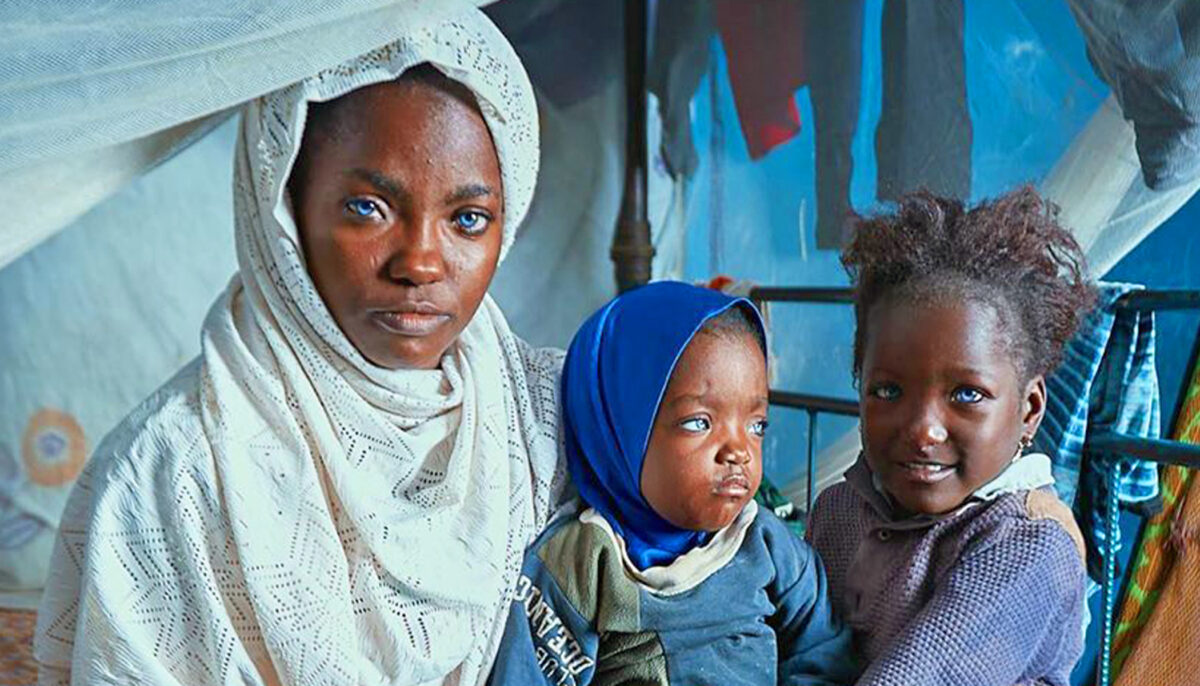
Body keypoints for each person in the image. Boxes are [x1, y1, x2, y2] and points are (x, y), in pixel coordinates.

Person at [34, 7, 568, 685]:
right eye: (368, 208)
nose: (421, 264)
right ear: (284, 208)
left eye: (468, 219)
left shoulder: (543, 428)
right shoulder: (171, 471)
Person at [489, 281, 856, 686]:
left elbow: (825, 655)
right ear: (623, 433)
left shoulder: (766, 544)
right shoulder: (582, 563)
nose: (739, 451)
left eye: (757, 425)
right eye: (699, 422)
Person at [807, 187, 1094, 686]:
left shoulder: (1029, 545)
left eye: (966, 394)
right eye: (888, 389)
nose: (922, 428)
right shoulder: (837, 511)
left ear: (1029, 410)